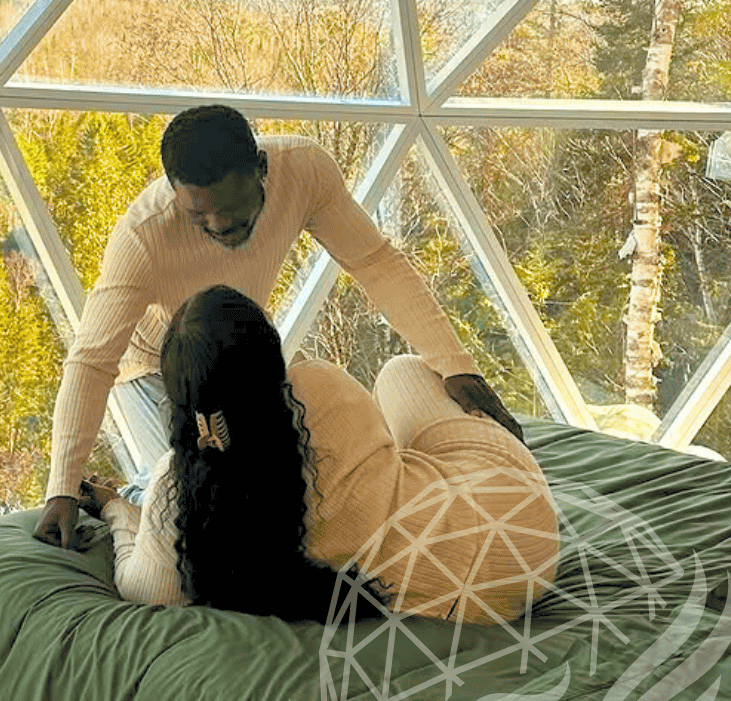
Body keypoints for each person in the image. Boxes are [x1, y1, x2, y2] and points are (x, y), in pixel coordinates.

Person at [34, 104, 522, 550]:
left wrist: (455, 366)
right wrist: (61, 487)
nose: (219, 224)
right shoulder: (143, 236)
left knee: (274, 494)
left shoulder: (305, 171)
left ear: (262, 171)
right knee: (195, 508)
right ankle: (120, 497)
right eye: (198, 212)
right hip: (153, 369)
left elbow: (376, 263)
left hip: (237, 355)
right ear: (175, 194)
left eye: (231, 207)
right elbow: (91, 361)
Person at [76, 286, 561, 624]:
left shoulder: (175, 492)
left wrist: (118, 508)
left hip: (489, 589)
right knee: (400, 372)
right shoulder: (320, 386)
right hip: (520, 526)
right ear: (270, 352)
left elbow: (144, 589)